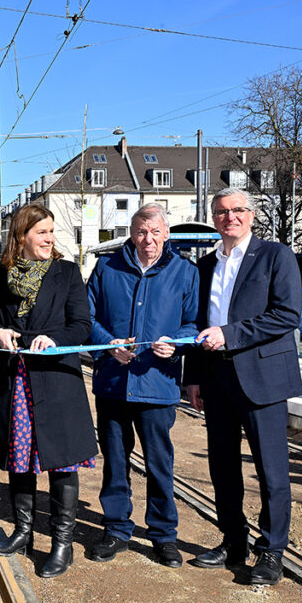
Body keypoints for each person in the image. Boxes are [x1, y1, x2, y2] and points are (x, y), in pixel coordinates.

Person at [184, 188, 302, 586]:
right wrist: (194, 377)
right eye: (221, 211)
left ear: (251, 215)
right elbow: (200, 324)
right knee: (222, 467)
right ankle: (233, 540)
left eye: (236, 210)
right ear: (213, 218)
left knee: (271, 470)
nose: (228, 217)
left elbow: (287, 315)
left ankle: (271, 550)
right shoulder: (204, 265)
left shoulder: (274, 256)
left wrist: (230, 335)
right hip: (216, 379)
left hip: (263, 378)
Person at [0, 204, 97, 579]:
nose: (49, 238)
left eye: (51, 231)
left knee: (62, 460)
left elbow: (83, 325)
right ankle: (23, 531)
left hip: (56, 379)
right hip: (14, 379)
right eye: (41, 232)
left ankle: (62, 543)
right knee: (20, 457)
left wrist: (55, 338)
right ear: (22, 236)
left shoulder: (66, 272)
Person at [86, 203, 199, 568]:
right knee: (115, 460)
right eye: (140, 232)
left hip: (157, 384)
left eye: (154, 232)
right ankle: (116, 528)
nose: (147, 239)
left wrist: (178, 343)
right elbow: (86, 318)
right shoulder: (107, 268)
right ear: (131, 233)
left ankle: (163, 535)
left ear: (166, 235)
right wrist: (108, 344)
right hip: (114, 383)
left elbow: (195, 323)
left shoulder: (185, 272)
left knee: (159, 462)